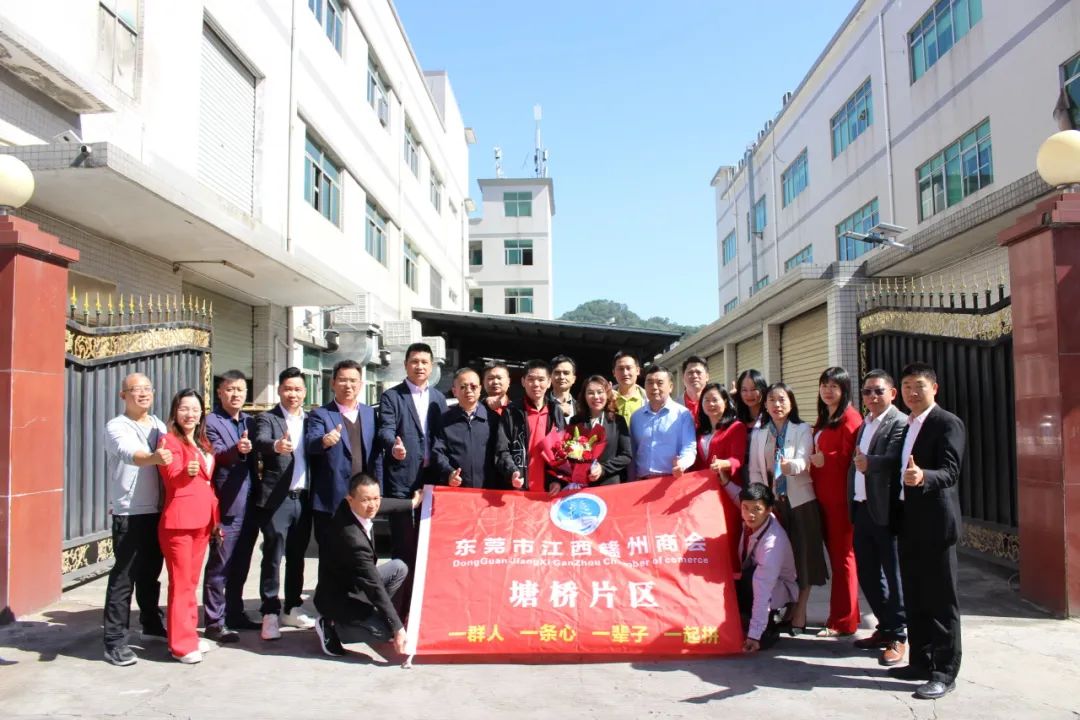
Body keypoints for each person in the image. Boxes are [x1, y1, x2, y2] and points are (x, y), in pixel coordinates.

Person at [889, 362, 965, 700]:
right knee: (916, 595)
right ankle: (920, 662)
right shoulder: (908, 425)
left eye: (918, 385)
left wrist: (924, 477)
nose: (912, 392)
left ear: (934, 388)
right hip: (909, 521)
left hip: (936, 524)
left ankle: (944, 673)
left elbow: (950, 470)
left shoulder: (947, 423)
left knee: (941, 601)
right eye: (906, 386)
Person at [313, 474, 421, 658]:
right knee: (385, 632)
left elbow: (382, 504)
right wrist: (397, 628)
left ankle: (375, 616)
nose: (373, 505)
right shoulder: (353, 539)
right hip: (339, 598)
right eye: (366, 500)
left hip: (355, 583)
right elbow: (375, 587)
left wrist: (412, 503)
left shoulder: (352, 507)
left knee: (399, 567)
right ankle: (332, 626)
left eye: (376, 498)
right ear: (350, 499)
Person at [747, 382, 827, 634]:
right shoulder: (759, 434)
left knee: (803, 557)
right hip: (773, 505)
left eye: (782, 399)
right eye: (772, 400)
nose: (777, 404)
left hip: (800, 502)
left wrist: (790, 466)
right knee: (779, 559)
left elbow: (803, 459)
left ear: (791, 403)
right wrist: (763, 502)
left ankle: (800, 610)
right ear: (765, 404)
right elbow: (755, 471)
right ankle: (785, 607)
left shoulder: (802, 429)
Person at [102, 373, 169, 666]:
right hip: (130, 512)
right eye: (135, 390)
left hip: (157, 510)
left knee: (150, 574)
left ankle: (151, 623)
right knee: (124, 578)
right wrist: (155, 458)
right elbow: (130, 454)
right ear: (123, 396)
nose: (142, 394)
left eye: (146, 389)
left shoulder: (159, 425)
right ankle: (114, 641)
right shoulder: (116, 426)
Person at [377, 342, 447, 610]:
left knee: (429, 542)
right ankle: (399, 605)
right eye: (414, 361)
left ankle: (424, 602)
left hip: (432, 478)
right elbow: (385, 429)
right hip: (402, 478)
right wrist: (392, 446)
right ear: (406, 365)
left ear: (432, 366)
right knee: (403, 543)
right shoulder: (392, 396)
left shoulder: (439, 398)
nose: (419, 366)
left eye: (424, 362)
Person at [252, 367, 316, 641]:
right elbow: (260, 441)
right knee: (273, 556)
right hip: (278, 499)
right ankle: (269, 611)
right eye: (288, 389)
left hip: (304, 498)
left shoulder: (312, 420)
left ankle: (292, 607)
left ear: (305, 392)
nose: (293, 394)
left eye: (298, 389)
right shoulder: (268, 418)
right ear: (279, 390)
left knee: (297, 556)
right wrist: (276, 446)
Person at [849, 369, 908, 666]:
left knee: (894, 576)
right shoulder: (866, 423)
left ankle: (899, 634)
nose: (872, 396)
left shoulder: (899, 422)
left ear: (892, 393)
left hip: (885, 511)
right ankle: (885, 627)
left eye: (878, 391)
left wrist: (869, 463)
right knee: (869, 574)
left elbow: (895, 459)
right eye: (867, 392)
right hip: (862, 508)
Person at [158, 389, 219, 664]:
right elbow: (171, 475)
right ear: (175, 411)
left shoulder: (202, 441)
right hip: (179, 523)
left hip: (203, 520)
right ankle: (180, 645)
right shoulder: (169, 441)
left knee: (191, 582)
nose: (190, 414)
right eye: (184, 408)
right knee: (181, 584)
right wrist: (186, 471)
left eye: (195, 409)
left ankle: (189, 635)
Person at [201, 370, 260, 642]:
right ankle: (214, 621)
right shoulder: (211, 422)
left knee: (241, 563)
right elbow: (218, 455)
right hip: (227, 504)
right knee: (220, 566)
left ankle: (235, 612)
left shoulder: (249, 420)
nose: (235, 394)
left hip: (251, 504)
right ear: (220, 392)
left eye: (240, 389)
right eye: (230, 389)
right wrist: (239, 448)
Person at [809, 367, 863, 638]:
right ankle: (844, 614)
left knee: (843, 559)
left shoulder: (850, 418)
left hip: (840, 499)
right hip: (822, 496)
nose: (828, 391)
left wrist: (825, 459)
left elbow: (851, 457)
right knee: (837, 559)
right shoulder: (825, 418)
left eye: (834, 386)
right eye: (824, 385)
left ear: (844, 390)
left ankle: (843, 621)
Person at [306, 359, 381, 553]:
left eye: (353, 381)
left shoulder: (369, 413)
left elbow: (376, 455)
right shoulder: (320, 414)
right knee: (330, 555)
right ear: (333, 383)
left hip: (362, 498)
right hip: (331, 498)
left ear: (360, 384)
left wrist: (378, 490)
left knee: (363, 554)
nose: (348, 385)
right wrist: (324, 441)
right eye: (342, 380)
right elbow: (311, 443)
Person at [725, 482, 798, 653]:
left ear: (769, 509)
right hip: (754, 580)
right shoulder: (754, 516)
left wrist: (754, 636)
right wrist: (725, 483)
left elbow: (763, 590)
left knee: (759, 639)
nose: (749, 514)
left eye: (756, 509)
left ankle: (767, 627)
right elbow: (740, 498)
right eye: (745, 508)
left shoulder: (772, 544)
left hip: (774, 590)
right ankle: (747, 617)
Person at [691, 382, 748, 571]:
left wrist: (724, 464)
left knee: (729, 541)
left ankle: (734, 585)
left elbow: (737, 459)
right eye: (706, 400)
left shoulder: (736, 427)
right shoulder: (699, 431)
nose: (710, 404)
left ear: (725, 401)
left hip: (727, 492)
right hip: (704, 496)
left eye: (715, 399)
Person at [549, 375, 633, 491]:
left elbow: (626, 455)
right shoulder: (576, 421)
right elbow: (565, 453)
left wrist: (603, 469)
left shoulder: (617, 421)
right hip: (580, 486)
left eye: (600, 392)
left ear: (607, 394)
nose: (596, 397)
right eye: (590, 393)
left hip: (609, 485)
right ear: (584, 396)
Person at [493, 359, 566, 490]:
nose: (536, 384)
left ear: (549, 382)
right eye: (531, 379)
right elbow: (502, 449)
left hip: (548, 490)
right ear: (523, 382)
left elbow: (563, 451)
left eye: (541, 379)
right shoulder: (512, 411)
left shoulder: (556, 412)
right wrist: (512, 472)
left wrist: (556, 480)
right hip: (519, 487)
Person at [432, 367, 497, 489]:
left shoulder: (492, 419)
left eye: (473, 386)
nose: (468, 390)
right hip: (456, 488)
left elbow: (501, 453)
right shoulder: (444, 420)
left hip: (487, 490)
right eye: (463, 387)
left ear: (480, 389)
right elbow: (438, 453)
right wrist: (449, 473)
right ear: (454, 391)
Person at [629, 365, 696, 479]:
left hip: (672, 479)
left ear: (670, 387)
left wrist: (682, 464)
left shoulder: (683, 414)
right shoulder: (636, 417)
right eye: (649, 383)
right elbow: (632, 453)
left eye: (659, 383)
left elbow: (689, 447)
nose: (654, 387)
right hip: (641, 482)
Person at [612, 351, 647, 428]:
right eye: (621, 369)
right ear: (614, 372)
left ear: (638, 371)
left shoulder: (648, 400)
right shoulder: (606, 399)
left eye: (629, 368)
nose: (625, 373)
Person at [680, 355, 710, 421]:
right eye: (690, 372)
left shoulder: (715, 404)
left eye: (698, 372)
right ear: (683, 378)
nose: (694, 376)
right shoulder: (673, 406)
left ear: (707, 377)